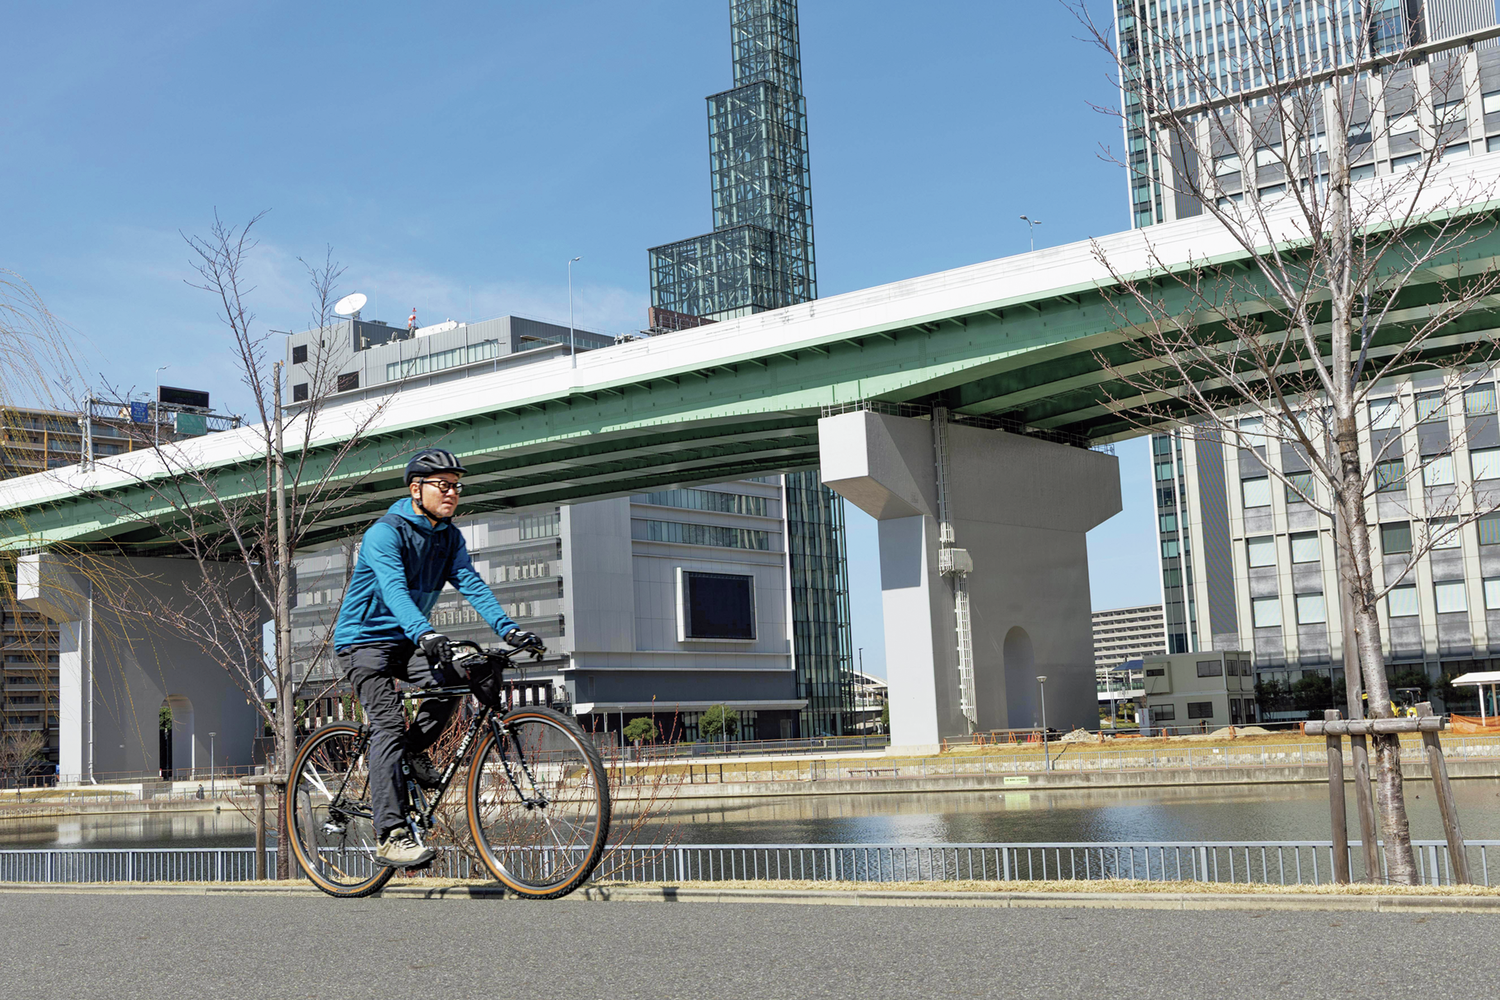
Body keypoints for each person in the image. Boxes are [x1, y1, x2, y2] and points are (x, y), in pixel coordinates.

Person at [332, 447, 541, 868]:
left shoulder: (448, 537)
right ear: (416, 488)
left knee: (457, 680)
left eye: (456, 486)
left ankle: (412, 750)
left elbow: (473, 585)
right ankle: (390, 834)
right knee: (388, 722)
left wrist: (509, 629)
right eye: (442, 485)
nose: (452, 493)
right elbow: (393, 589)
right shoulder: (384, 534)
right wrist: (425, 632)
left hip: (408, 640)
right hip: (363, 643)